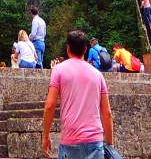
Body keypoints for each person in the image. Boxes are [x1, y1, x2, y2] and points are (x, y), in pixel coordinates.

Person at [42, 28, 114, 159]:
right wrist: (109, 145)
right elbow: (107, 113)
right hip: (95, 141)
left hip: (70, 141)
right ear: (85, 50)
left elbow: (50, 105)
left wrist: (45, 136)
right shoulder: (98, 75)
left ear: (68, 48)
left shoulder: (58, 70)